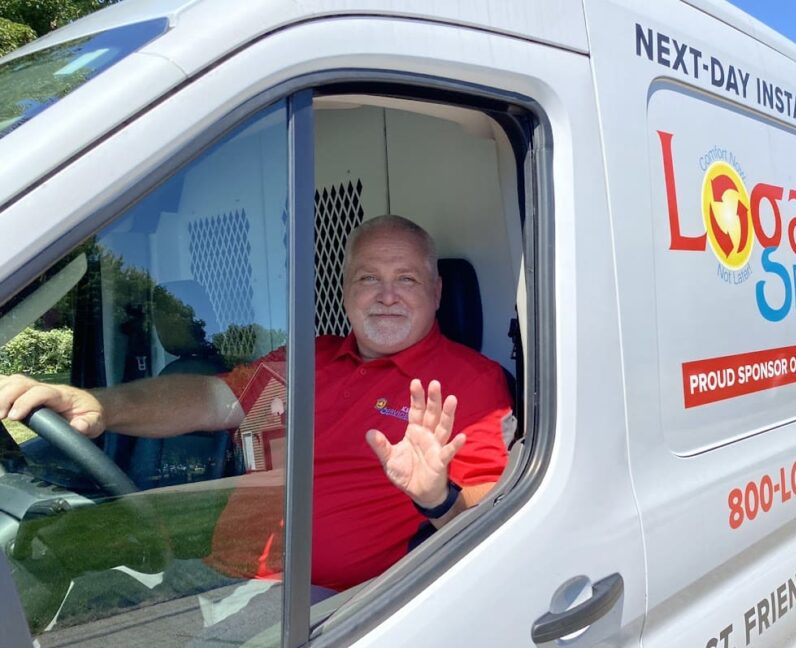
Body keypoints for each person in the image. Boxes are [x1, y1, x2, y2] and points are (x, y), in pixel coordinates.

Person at [0, 215, 513, 592]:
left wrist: (437, 496)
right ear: (344, 289)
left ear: (437, 291)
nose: (386, 295)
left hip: (319, 613)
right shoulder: (308, 357)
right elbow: (208, 398)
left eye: (406, 279)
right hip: (211, 575)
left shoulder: (469, 384)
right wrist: (98, 404)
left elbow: (495, 522)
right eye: (368, 278)